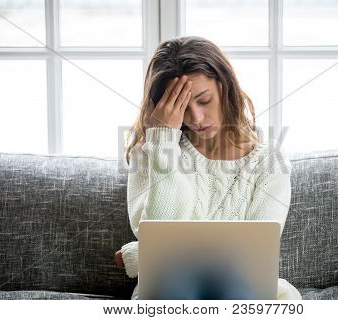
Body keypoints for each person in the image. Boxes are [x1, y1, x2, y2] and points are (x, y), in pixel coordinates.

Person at [114, 35, 302, 300]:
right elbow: (161, 236)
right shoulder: (150, 153)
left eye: (203, 100)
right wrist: (163, 141)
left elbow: (252, 257)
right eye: (182, 108)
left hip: (242, 291)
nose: (196, 118)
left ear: (225, 87)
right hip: (171, 293)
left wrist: (139, 255)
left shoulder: (269, 162)